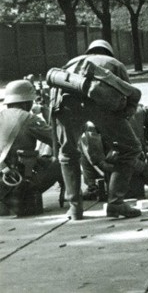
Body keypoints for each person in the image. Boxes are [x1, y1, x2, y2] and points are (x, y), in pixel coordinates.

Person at [51, 39, 143, 219]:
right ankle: (116, 203)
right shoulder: (115, 63)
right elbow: (126, 97)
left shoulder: (72, 62)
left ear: (88, 50)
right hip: (101, 104)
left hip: (67, 102)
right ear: (109, 52)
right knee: (131, 148)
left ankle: (75, 208)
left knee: (68, 153)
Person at [81, 103, 148, 200]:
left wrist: (102, 164)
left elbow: (94, 152)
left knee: (83, 144)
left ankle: (92, 187)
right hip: (140, 163)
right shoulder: (139, 109)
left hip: (113, 165)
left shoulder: (94, 114)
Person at [0, 80, 63, 211]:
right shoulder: (29, 118)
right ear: (26, 102)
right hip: (15, 180)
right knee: (62, 162)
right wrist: (46, 112)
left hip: (5, 175)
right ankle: (71, 194)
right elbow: (57, 139)